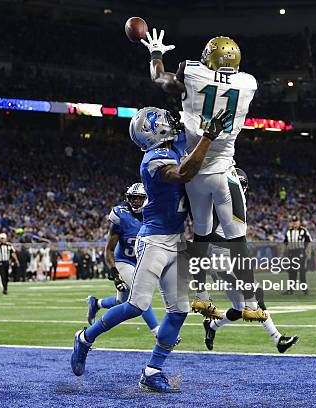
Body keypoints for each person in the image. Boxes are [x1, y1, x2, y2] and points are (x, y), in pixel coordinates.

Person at [71, 106, 230, 392]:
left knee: (179, 310)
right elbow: (183, 172)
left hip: (177, 240)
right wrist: (208, 137)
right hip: (155, 240)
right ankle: (85, 338)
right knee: (136, 305)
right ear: (151, 130)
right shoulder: (153, 159)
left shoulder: (172, 146)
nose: (169, 122)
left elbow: (189, 130)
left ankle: (152, 371)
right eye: (163, 120)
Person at [141, 29, 263, 321]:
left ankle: (202, 297)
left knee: (200, 237)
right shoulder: (248, 83)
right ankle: (250, 303)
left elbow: (160, 78)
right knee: (238, 242)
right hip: (223, 171)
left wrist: (155, 52)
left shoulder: (193, 73)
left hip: (194, 171)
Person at [202, 169, 299, 353]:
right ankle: (278, 339)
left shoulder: (238, 203)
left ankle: (212, 326)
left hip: (230, 259)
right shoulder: (217, 204)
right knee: (255, 295)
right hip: (220, 262)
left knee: (239, 309)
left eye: (241, 187)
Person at [86, 183, 160, 336]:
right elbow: (109, 250)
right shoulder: (121, 216)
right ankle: (157, 332)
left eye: (139, 198)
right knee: (141, 293)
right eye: (132, 198)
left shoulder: (153, 215)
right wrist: (115, 274)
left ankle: (96, 303)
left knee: (122, 301)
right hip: (124, 261)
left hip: (141, 261)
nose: (135, 202)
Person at [282, 216, 312, 295]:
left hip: (300, 252)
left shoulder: (304, 230)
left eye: (296, 221)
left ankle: (304, 289)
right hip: (291, 252)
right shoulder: (289, 231)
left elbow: (308, 242)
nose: (295, 223)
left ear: (299, 222)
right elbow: (285, 243)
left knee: (302, 271)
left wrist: (309, 253)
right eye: (293, 221)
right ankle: (291, 289)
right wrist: (282, 254)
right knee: (291, 271)